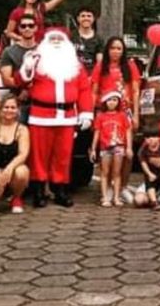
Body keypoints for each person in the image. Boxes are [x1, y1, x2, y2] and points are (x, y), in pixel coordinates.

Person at [18, 27, 93, 208]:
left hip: (67, 117)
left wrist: (86, 113)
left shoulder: (75, 65)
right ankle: (38, 190)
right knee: (39, 156)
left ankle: (60, 189)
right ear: (45, 42)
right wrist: (26, 67)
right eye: (53, 39)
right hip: (41, 116)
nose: (57, 42)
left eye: (60, 39)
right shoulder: (36, 61)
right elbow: (21, 81)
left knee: (63, 155)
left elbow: (84, 89)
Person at [91, 36, 141, 199]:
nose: (115, 51)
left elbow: (135, 91)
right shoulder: (100, 66)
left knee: (126, 151)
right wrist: (92, 113)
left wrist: (136, 114)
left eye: (119, 48)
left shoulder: (130, 66)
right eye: (112, 48)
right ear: (107, 50)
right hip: (105, 113)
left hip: (125, 113)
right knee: (105, 150)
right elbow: (94, 91)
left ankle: (123, 185)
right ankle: (107, 186)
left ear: (123, 50)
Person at [89, 91, 133, 207]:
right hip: (105, 147)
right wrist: (93, 149)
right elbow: (97, 133)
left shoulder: (122, 116)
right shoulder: (100, 116)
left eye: (115, 100)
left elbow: (128, 131)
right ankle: (105, 197)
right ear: (105, 102)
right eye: (109, 100)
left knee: (117, 173)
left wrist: (129, 147)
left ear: (118, 102)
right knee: (104, 172)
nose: (112, 102)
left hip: (119, 147)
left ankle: (116, 197)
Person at [0, 13, 38, 124]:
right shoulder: (9, 51)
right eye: (23, 26)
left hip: (39, 102)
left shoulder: (43, 49)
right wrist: (25, 86)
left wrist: (28, 89)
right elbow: (6, 80)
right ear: (19, 29)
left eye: (31, 25)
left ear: (36, 28)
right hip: (17, 102)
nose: (27, 28)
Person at [134, 129, 160, 210]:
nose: (150, 139)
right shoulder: (143, 149)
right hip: (151, 175)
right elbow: (143, 164)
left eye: (153, 137)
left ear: (159, 138)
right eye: (147, 137)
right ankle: (154, 202)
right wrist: (149, 174)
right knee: (149, 186)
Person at [71, 7, 104, 74]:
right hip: (73, 73)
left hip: (90, 74)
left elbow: (99, 61)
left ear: (93, 19)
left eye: (89, 16)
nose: (86, 18)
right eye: (83, 16)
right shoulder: (70, 36)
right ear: (78, 19)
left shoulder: (99, 39)